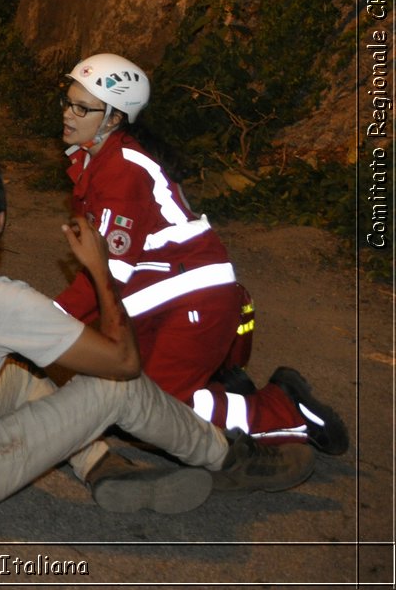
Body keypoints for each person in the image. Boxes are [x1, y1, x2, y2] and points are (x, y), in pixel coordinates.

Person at [0, 153, 316, 517]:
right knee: (115, 389)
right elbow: (124, 364)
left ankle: (96, 464)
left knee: (16, 376)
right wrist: (100, 270)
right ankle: (228, 460)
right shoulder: (3, 300)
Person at [55, 53, 348, 453]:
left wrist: (45, 324)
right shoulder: (100, 160)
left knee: (157, 412)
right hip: (176, 303)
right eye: (67, 102)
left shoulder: (122, 173)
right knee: (119, 394)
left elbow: (104, 276)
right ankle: (220, 382)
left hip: (194, 306)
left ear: (114, 118)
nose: (68, 114)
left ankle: (286, 409)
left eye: (81, 107)